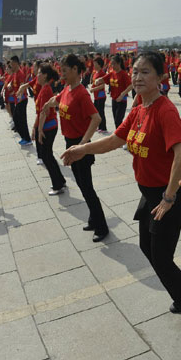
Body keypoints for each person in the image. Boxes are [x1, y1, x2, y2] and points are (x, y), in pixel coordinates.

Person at [63, 52, 181, 332]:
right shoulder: (139, 106)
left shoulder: (165, 110)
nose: (137, 77)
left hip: (166, 198)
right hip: (150, 195)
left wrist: (169, 196)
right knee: (148, 249)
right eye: (135, 72)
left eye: (145, 72)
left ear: (160, 78)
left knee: (162, 259)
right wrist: (83, 148)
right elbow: (116, 139)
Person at [44, 54, 109, 241]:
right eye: (61, 70)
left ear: (75, 70)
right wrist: (49, 103)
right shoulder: (67, 89)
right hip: (69, 143)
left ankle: (102, 227)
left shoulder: (81, 93)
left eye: (65, 70)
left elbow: (96, 119)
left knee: (87, 187)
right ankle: (93, 218)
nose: (62, 74)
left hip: (80, 145)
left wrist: (82, 145)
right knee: (81, 184)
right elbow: (60, 99)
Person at [33, 65, 67, 196]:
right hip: (46, 126)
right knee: (48, 156)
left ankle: (57, 185)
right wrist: (34, 128)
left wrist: (39, 130)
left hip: (48, 127)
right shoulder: (44, 89)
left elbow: (43, 112)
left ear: (45, 75)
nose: (37, 75)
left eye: (40, 73)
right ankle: (60, 180)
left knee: (46, 156)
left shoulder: (46, 90)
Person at [107, 55, 132, 129]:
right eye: (111, 64)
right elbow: (104, 78)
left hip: (122, 100)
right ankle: (119, 136)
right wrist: (98, 80)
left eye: (114, 64)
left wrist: (122, 94)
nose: (112, 65)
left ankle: (122, 136)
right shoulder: (112, 73)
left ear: (119, 63)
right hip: (114, 99)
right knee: (116, 120)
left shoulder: (123, 74)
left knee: (118, 120)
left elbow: (131, 86)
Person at [89, 56, 110, 133]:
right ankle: (100, 126)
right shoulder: (95, 72)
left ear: (99, 64)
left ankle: (103, 128)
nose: (94, 65)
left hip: (101, 95)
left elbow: (102, 85)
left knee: (100, 112)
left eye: (95, 63)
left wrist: (93, 89)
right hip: (96, 95)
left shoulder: (102, 73)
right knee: (97, 112)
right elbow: (95, 82)